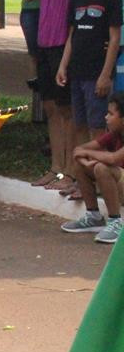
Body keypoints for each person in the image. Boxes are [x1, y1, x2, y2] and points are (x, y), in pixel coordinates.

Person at [8, 0, 80, 191]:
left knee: (68, 110)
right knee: (51, 107)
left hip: (65, 44)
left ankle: (72, 171)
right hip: (45, 42)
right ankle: (57, 168)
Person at [57, 0, 123, 154]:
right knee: (80, 124)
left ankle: (98, 174)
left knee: (97, 127)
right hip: (76, 71)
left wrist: (105, 75)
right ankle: (81, 176)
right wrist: (63, 66)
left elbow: (114, 39)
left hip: (97, 72)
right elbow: (71, 36)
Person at [61, 93, 124, 243]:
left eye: (110, 114)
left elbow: (113, 158)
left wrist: (90, 157)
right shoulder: (114, 134)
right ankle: (93, 216)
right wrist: (86, 161)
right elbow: (78, 150)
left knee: (102, 168)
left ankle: (116, 221)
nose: (106, 118)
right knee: (80, 165)